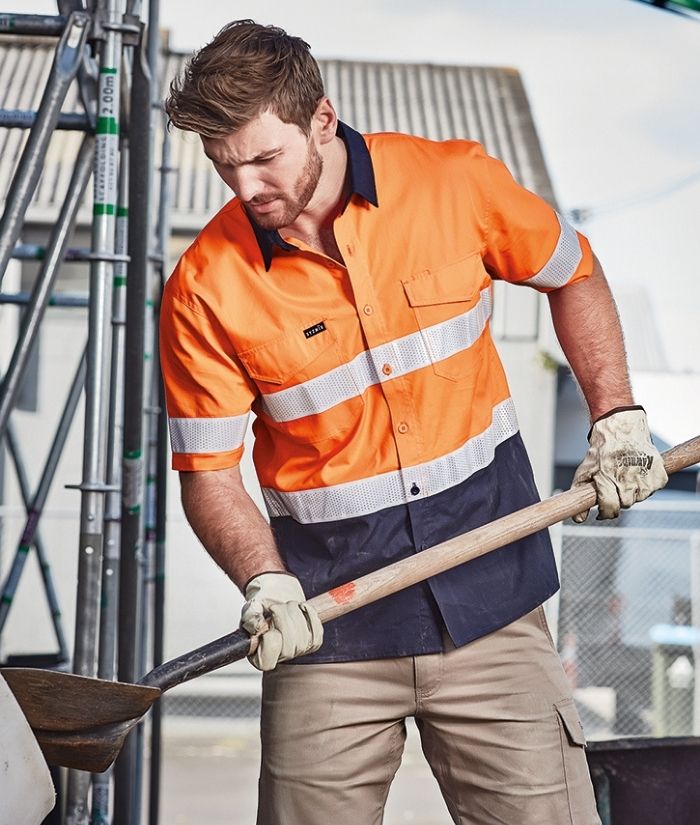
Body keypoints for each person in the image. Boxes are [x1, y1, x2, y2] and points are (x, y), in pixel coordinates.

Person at [161, 19, 667, 825]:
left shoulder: (452, 183)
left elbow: (576, 274)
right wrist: (264, 582)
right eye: (226, 165)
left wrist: (617, 416)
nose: (246, 186)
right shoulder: (203, 289)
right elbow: (209, 475)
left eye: (264, 158)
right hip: (328, 630)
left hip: (496, 610)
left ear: (321, 119)